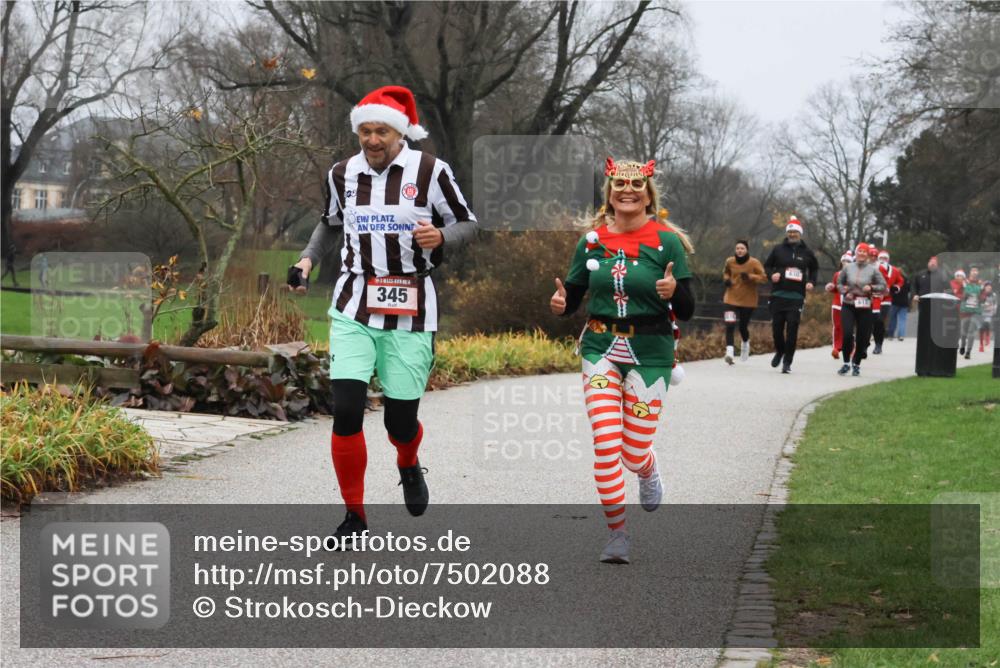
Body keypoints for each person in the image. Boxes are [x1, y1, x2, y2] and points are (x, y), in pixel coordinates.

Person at [288, 85, 477, 544]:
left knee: (400, 423)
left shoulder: (430, 171)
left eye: (382, 132)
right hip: (354, 303)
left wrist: (442, 237)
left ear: (401, 133)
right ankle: (355, 517)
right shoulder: (342, 174)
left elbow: (468, 223)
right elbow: (330, 223)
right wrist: (307, 260)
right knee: (347, 411)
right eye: (365, 131)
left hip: (411, 308)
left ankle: (408, 462)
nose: (372, 140)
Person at [550, 157, 694, 564]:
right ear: (609, 194)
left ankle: (646, 467)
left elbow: (687, 309)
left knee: (631, 453)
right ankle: (617, 535)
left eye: (635, 185)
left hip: (651, 351)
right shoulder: (591, 241)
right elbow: (572, 296)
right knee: (606, 442)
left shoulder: (667, 242)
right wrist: (561, 304)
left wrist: (673, 291)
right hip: (600, 348)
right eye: (619, 185)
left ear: (648, 195)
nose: (627, 191)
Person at [763, 216, 818, 373]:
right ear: (787, 233)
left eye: (795, 232)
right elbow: (767, 266)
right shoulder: (778, 249)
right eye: (790, 232)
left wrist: (811, 282)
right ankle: (780, 351)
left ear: (800, 233)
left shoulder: (807, 252)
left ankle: (787, 362)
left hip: (796, 296)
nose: (792, 234)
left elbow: (814, 268)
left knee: (792, 328)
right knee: (777, 329)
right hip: (778, 294)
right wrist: (772, 275)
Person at [836, 243, 887, 377]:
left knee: (862, 337)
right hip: (848, 304)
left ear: (868, 255)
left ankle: (856, 364)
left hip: (865, 306)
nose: (862, 254)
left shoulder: (873, 270)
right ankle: (846, 363)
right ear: (856, 253)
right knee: (847, 334)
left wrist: (871, 287)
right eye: (860, 251)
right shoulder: (848, 268)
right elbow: (839, 283)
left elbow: (883, 286)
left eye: (865, 252)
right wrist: (844, 292)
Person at [721, 240, 766, 364]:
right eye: (737, 248)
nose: (739, 251)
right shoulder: (730, 261)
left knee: (743, 327)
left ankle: (745, 344)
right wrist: (726, 279)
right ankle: (729, 352)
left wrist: (750, 277)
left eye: (742, 248)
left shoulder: (754, 263)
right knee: (729, 324)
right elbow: (726, 272)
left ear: (747, 250)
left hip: (748, 300)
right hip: (730, 298)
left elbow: (764, 278)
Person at [871, 249, 904, 354]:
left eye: (885, 258)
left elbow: (901, 281)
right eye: (881, 258)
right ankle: (870, 340)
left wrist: (896, 287)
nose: (883, 260)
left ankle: (878, 345)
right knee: (874, 321)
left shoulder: (894, 270)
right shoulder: (873, 268)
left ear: (888, 259)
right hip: (874, 297)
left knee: (880, 321)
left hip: (886, 298)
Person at [825, 250, 853, 359]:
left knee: (848, 328)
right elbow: (835, 288)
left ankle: (851, 348)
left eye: (848, 261)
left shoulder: (855, 275)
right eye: (844, 261)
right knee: (837, 327)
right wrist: (830, 287)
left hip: (850, 305)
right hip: (837, 305)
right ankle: (836, 348)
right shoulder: (837, 274)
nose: (846, 263)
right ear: (841, 262)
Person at [957, 267, 983, 359]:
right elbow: (957, 293)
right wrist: (964, 296)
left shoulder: (981, 284)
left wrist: (980, 297)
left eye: (976, 271)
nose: (974, 272)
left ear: (978, 273)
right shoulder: (964, 282)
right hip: (965, 311)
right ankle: (963, 345)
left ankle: (968, 351)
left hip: (976, 312)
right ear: (970, 273)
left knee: (971, 331)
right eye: (973, 271)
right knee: (963, 332)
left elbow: (984, 296)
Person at [887, 269, 911, 340]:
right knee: (902, 320)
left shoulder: (894, 280)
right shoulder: (907, 280)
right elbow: (909, 290)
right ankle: (901, 335)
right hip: (904, 302)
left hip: (894, 302)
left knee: (892, 319)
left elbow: (890, 290)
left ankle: (891, 335)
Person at [979, 282, 996, 352]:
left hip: (989, 313)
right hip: (981, 313)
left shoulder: (993, 294)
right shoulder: (981, 294)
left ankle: (987, 338)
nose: (989, 287)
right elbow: (979, 303)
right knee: (981, 328)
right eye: (987, 286)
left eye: (990, 286)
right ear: (984, 287)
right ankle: (981, 345)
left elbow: (995, 304)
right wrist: (984, 306)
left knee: (986, 324)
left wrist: (993, 309)